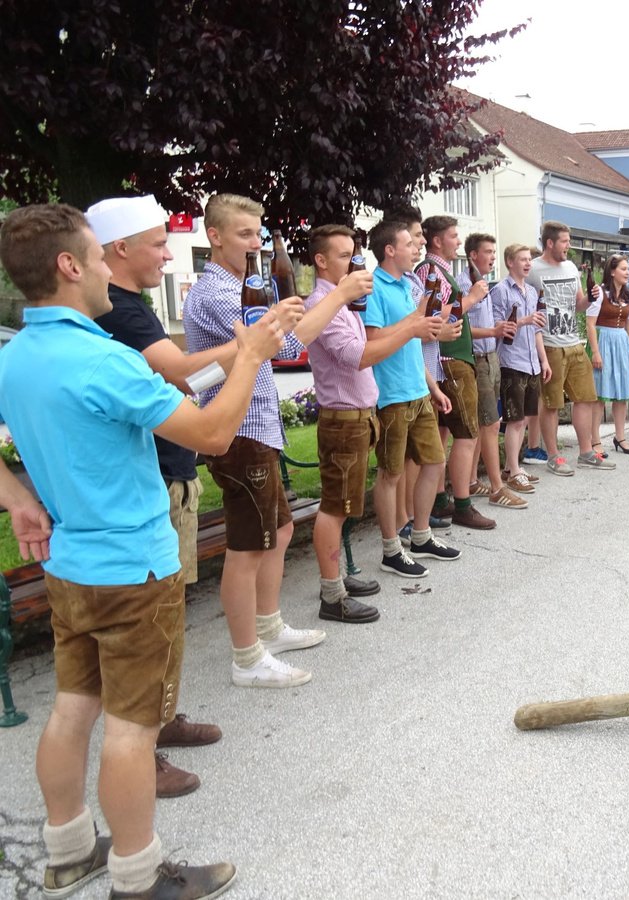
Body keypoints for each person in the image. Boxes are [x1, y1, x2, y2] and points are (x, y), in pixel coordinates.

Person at [0, 202, 286, 899]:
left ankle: (69, 852)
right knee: (132, 730)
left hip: (69, 564)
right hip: (135, 567)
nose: (108, 269)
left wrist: (18, 499)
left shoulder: (15, 355)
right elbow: (212, 434)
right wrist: (250, 356)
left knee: (72, 708)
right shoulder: (105, 360)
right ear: (70, 266)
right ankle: (138, 874)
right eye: (98, 257)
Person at [183, 193, 371, 688]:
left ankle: (268, 627)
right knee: (247, 548)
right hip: (239, 430)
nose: (256, 243)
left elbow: (281, 339)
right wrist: (337, 295)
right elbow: (285, 346)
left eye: (258, 234)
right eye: (244, 234)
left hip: (257, 426)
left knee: (280, 531)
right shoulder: (217, 292)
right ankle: (247, 658)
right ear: (214, 236)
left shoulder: (244, 285)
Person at [87, 195, 228, 799]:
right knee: (151, 622)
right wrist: (252, 349)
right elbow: (183, 372)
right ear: (119, 249)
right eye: (158, 243)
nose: (168, 255)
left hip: (167, 471)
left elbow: (186, 377)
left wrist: (232, 364)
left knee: (168, 614)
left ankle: (162, 717)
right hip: (149, 485)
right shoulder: (120, 310)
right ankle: (141, 746)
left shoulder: (130, 305)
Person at [303, 223, 441, 619]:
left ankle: (339, 578)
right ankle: (332, 595)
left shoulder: (343, 301)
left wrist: (415, 324)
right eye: (345, 256)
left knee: (344, 506)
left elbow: (365, 344)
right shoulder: (323, 303)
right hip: (342, 419)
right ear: (321, 260)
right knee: (335, 508)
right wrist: (412, 327)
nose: (354, 263)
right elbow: (359, 356)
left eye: (354, 254)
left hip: (358, 416)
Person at [363, 218, 463, 570]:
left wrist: (433, 387)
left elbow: (414, 341)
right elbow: (373, 340)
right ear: (390, 250)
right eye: (409, 244)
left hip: (419, 390)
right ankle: (391, 550)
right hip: (391, 395)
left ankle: (420, 536)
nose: (417, 248)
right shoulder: (373, 287)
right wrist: (414, 325)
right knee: (390, 474)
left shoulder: (408, 284)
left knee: (435, 462)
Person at [414, 215, 496, 529]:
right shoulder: (429, 269)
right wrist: (471, 298)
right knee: (467, 433)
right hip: (449, 359)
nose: (458, 241)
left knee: (446, 432)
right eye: (453, 235)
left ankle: (440, 500)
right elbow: (429, 316)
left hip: (450, 358)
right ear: (437, 241)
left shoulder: (440, 270)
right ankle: (462, 503)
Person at [527, 221, 612, 473]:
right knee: (551, 404)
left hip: (574, 342)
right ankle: (554, 456)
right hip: (550, 345)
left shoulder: (571, 267)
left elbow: (578, 305)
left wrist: (590, 299)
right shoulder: (533, 269)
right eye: (564, 241)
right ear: (550, 242)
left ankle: (586, 452)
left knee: (585, 398)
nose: (569, 246)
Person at [459, 233, 525, 509]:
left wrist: (498, 330)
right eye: (488, 252)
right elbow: (459, 328)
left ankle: (472, 480)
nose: (493, 257)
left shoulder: (484, 284)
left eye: (494, 252)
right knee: (490, 423)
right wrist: (493, 331)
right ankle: (497, 488)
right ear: (473, 255)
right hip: (476, 358)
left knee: (483, 422)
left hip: (491, 356)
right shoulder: (464, 285)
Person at [493, 244, 551, 491]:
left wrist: (544, 360)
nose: (528, 264)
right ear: (510, 262)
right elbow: (496, 326)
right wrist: (524, 320)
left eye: (529, 259)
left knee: (525, 418)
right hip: (512, 362)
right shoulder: (501, 291)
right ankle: (515, 470)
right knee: (514, 419)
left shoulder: (531, 291)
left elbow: (536, 330)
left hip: (531, 363)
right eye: (523, 259)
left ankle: (511, 467)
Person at [585, 254, 629, 454]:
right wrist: (596, 352)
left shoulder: (627, 296)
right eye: (623, 269)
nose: (627, 273)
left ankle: (620, 437)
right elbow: (590, 324)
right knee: (599, 395)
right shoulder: (600, 293)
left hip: (622, 345)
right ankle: (595, 440)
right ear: (612, 272)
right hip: (603, 342)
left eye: (628, 269)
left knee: (621, 394)